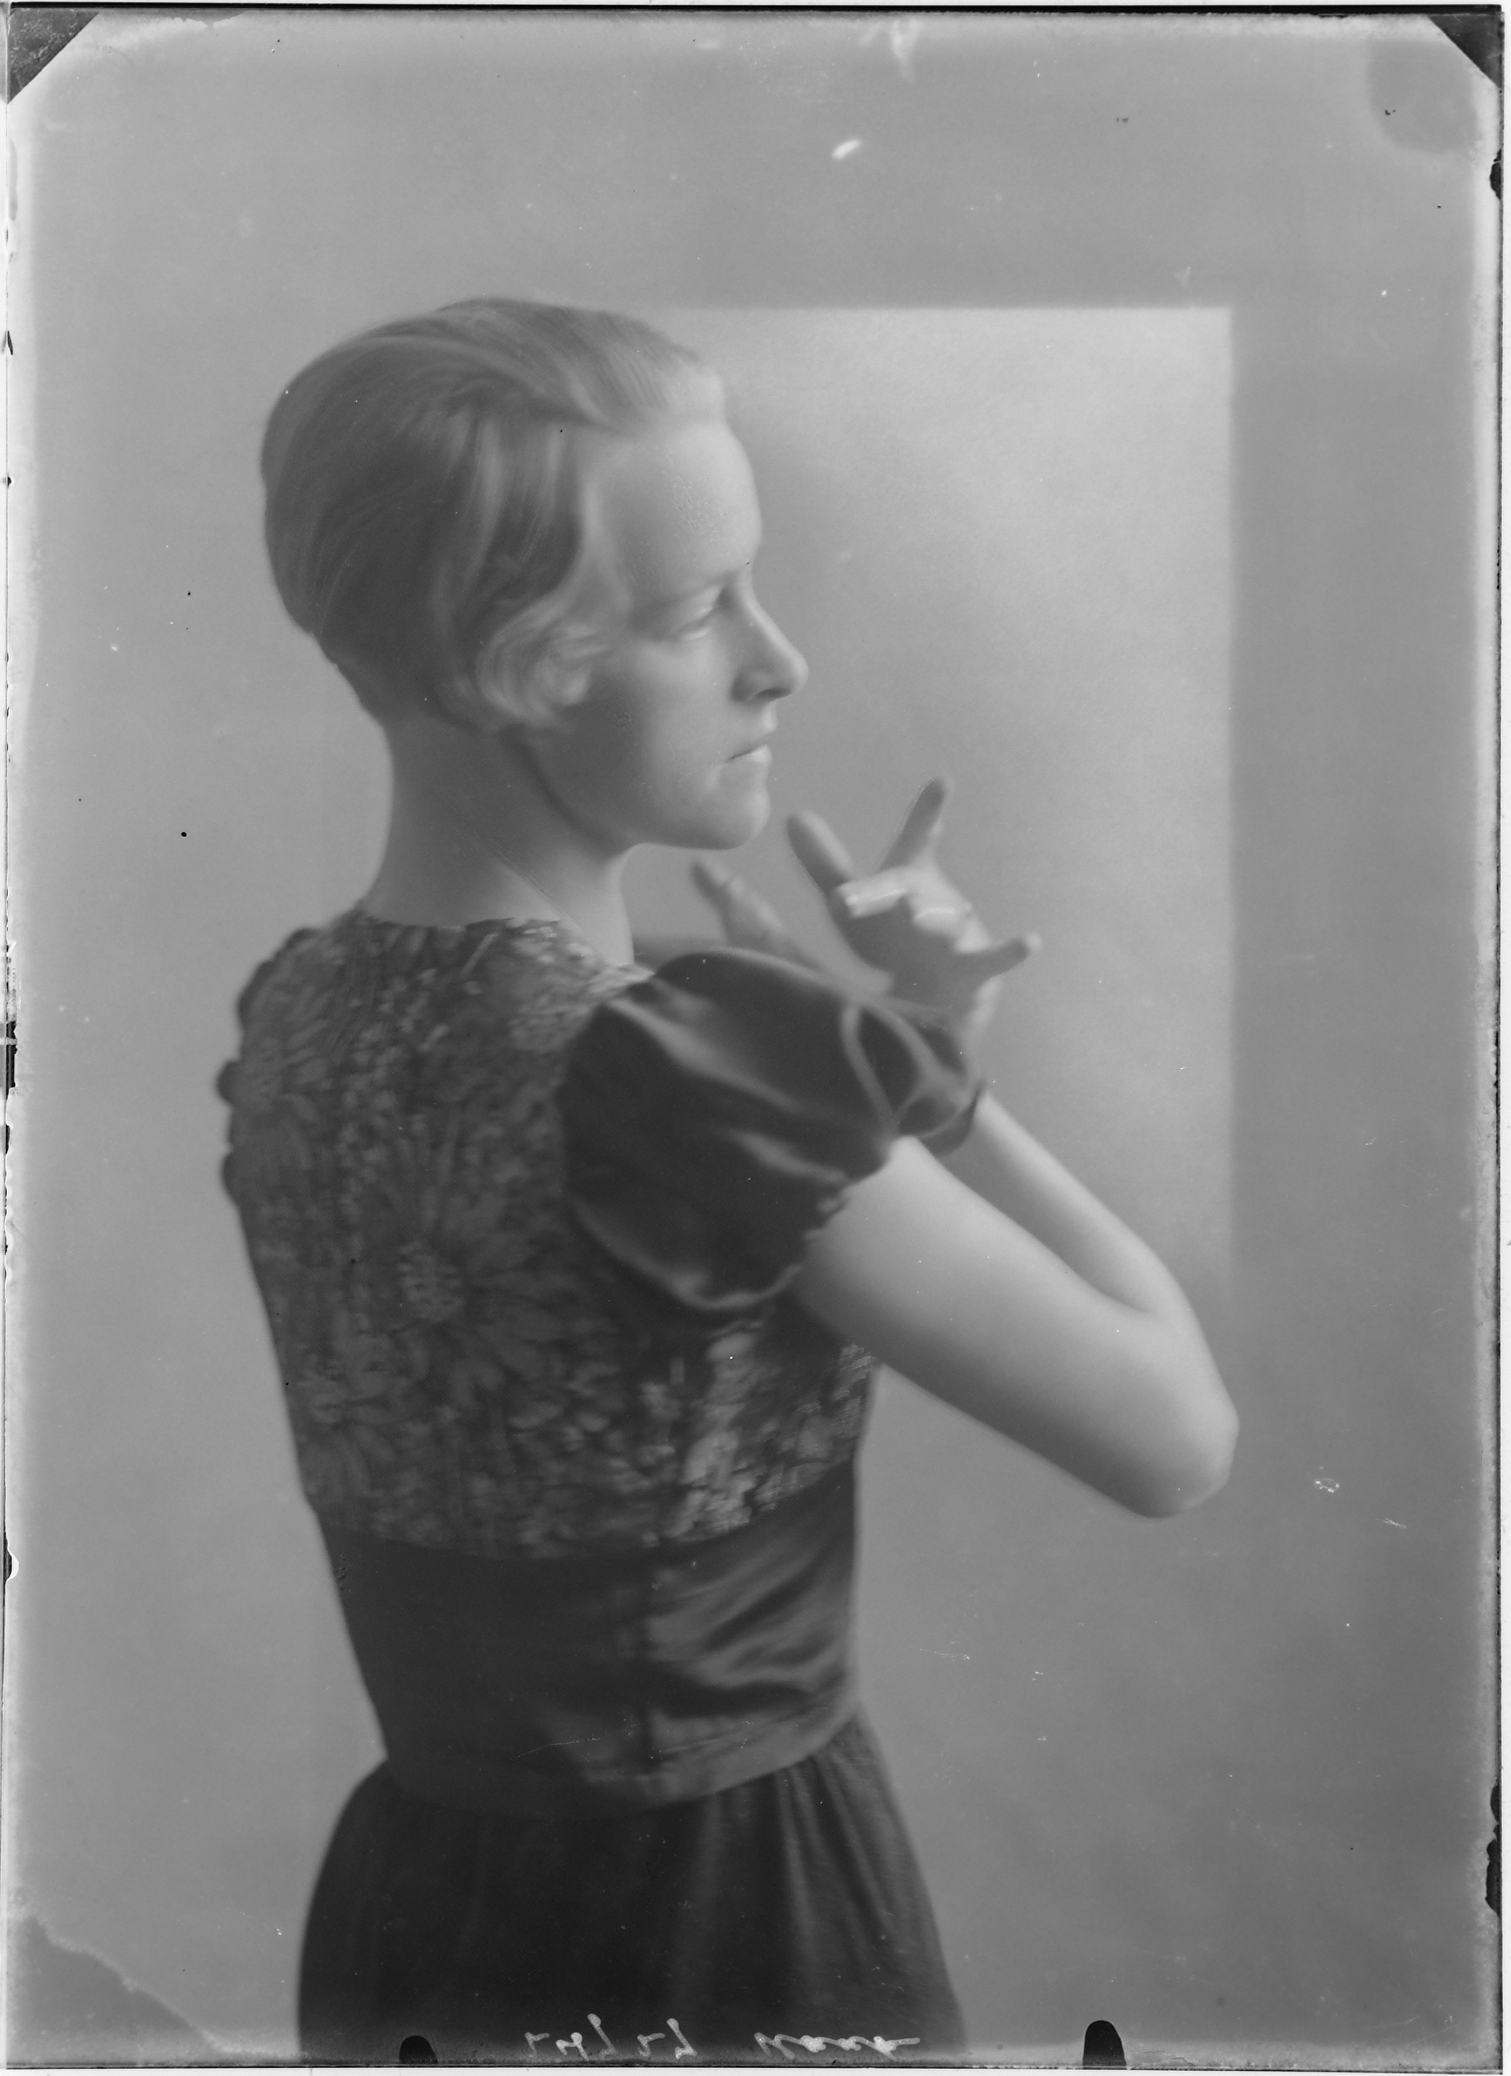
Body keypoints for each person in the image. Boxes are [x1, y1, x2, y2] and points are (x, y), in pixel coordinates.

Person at [219, 299, 1237, 2065]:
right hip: (730, 1920)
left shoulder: (295, 1016)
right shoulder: (700, 1067)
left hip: (420, 1913)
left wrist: (881, 1058)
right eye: (699, 611)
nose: (781, 662)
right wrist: (933, 1089)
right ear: (512, 665)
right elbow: (1176, 1439)